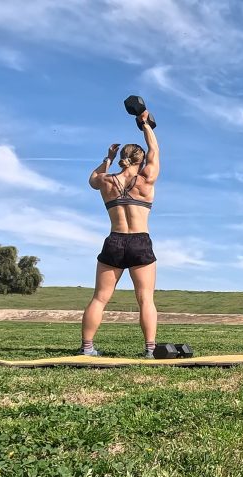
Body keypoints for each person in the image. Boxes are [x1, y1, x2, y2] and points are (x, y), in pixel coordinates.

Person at [79, 109, 161, 358]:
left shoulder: (106, 181)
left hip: (114, 241)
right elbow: (155, 152)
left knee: (99, 299)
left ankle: (87, 348)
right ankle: (149, 350)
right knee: (145, 299)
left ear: (122, 159)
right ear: (140, 159)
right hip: (139, 241)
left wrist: (108, 158)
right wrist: (145, 125)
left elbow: (92, 180)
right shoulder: (146, 179)